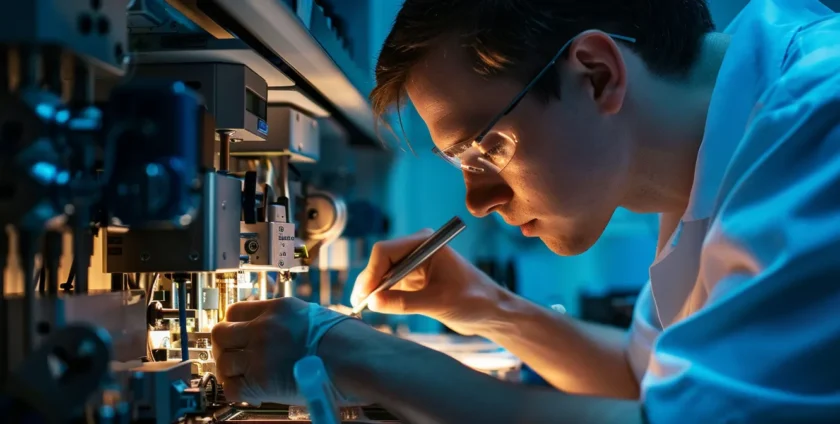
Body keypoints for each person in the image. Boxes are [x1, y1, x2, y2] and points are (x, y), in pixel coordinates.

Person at [211, 0, 840, 422]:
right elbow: (640, 378)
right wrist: (487, 307)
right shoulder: (711, 160)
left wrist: (355, 357)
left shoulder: (819, 123)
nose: (479, 203)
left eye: (485, 151)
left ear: (595, 75)